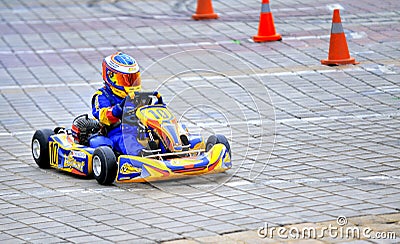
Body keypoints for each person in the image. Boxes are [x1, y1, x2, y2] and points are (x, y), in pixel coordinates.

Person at [91, 52, 144, 155]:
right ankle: (140, 156)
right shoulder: (102, 95)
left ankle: (178, 147)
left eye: (133, 79)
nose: (131, 84)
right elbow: (101, 115)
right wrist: (117, 110)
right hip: (117, 132)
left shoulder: (136, 96)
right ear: (111, 77)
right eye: (126, 80)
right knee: (127, 139)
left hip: (138, 129)